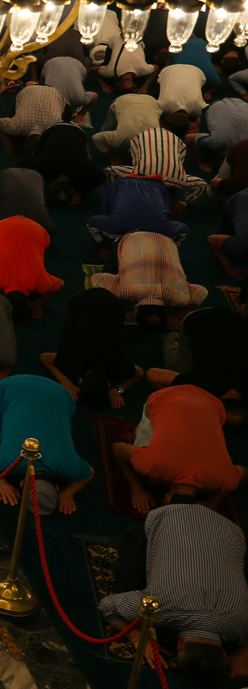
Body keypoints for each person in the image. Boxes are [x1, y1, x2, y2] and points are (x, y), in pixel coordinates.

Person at [99, 504, 248, 684]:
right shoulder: (160, 608)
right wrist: (138, 637)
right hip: (166, 516)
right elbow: (108, 606)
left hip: (229, 528)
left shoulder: (242, 623)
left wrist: (243, 653)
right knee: (127, 578)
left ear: (224, 655)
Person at [112, 385, 245, 513]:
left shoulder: (221, 479)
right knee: (145, 467)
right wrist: (137, 490)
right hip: (166, 396)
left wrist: (212, 502)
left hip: (213, 403)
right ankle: (143, 425)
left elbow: (244, 473)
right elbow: (117, 448)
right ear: (167, 498)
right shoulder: (152, 465)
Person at [0, 374, 93, 514]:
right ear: (21, 484)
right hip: (9, 386)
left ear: (56, 487)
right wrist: (1, 483)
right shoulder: (6, 462)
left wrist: (68, 493)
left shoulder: (69, 466)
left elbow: (89, 473)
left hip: (60, 392)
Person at [41, 287, 140, 409]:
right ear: (81, 381)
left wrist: (118, 389)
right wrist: (66, 382)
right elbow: (45, 358)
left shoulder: (117, 367)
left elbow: (139, 372)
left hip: (112, 304)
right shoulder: (71, 363)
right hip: (81, 300)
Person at [90, 231, 207, 329]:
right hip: (130, 237)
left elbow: (201, 291)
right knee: (109, 278)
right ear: (136, 311)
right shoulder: (125, 292)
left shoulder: (179, 298)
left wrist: (179, 315)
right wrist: (116, 309)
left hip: (167, 240)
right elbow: (96, 279)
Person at [0, 215, 64, 321]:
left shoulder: (39, 282)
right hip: (3, 227)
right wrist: (36, 304)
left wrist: (38, 304)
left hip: (34, 229)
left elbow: (60, 283)